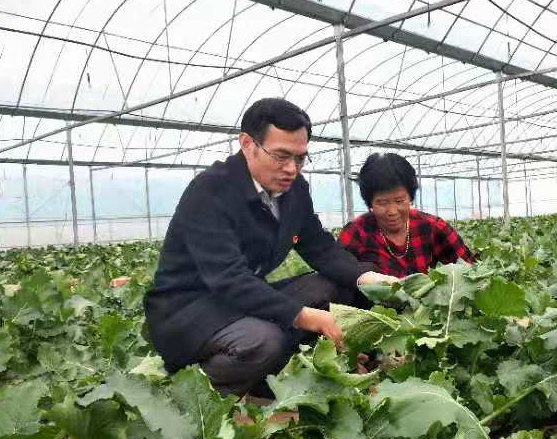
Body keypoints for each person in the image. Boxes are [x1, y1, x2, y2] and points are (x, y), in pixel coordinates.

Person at [144, 98, 395, 397]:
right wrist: (304, 315)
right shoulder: (210, 191)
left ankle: (279, 371)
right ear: (247, 144)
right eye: (281, 156)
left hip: (241, 301)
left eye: (300, 158)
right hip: (188, 312)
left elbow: (319, 247)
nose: (291, 169)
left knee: (337, 285)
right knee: (263, 341)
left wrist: (366, 277)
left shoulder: (294, 190)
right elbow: (229, 278)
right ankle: (191, 390)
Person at [339, 153, 474, 277]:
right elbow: (337, 274)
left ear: (410, 197)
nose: (392, 211)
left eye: (399, 201)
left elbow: (470, 271)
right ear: (370, 203)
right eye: (382, 203)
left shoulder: (434, 227)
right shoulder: (357, 232)